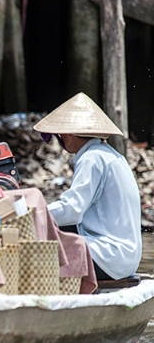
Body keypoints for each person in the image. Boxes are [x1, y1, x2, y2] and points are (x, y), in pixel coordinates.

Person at [34, 92, 142, 281]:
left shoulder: (91, 158)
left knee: (37, 243)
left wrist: (33, 213)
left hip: (111, 257)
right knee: (56, 229)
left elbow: (72, 210)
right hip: (125, 257)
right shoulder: (109, 154)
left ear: (68, 135)